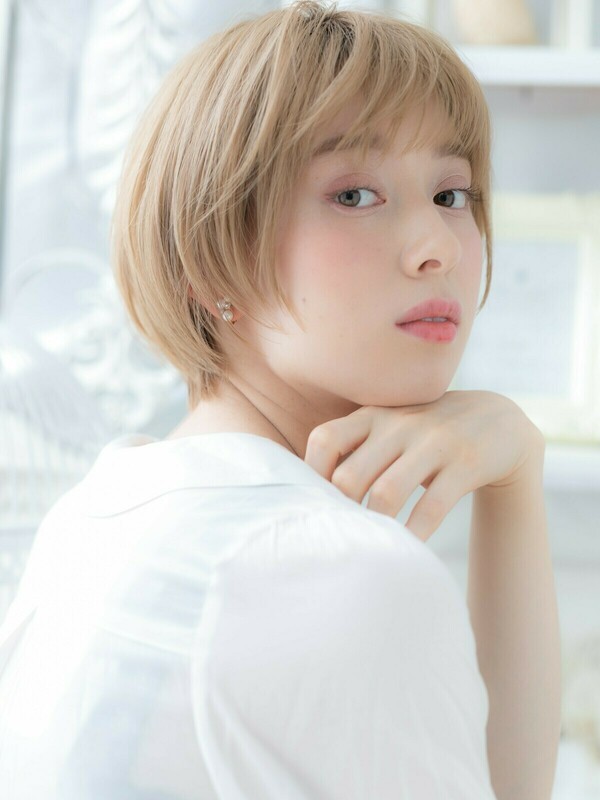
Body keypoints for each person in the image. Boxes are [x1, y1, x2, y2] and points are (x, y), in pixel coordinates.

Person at [0, 1, 561, 798]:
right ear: (209, 260)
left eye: (451, 194)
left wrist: (515, 470)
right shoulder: (334, 570)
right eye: (355, 195)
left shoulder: (105, 502)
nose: (438, 247)